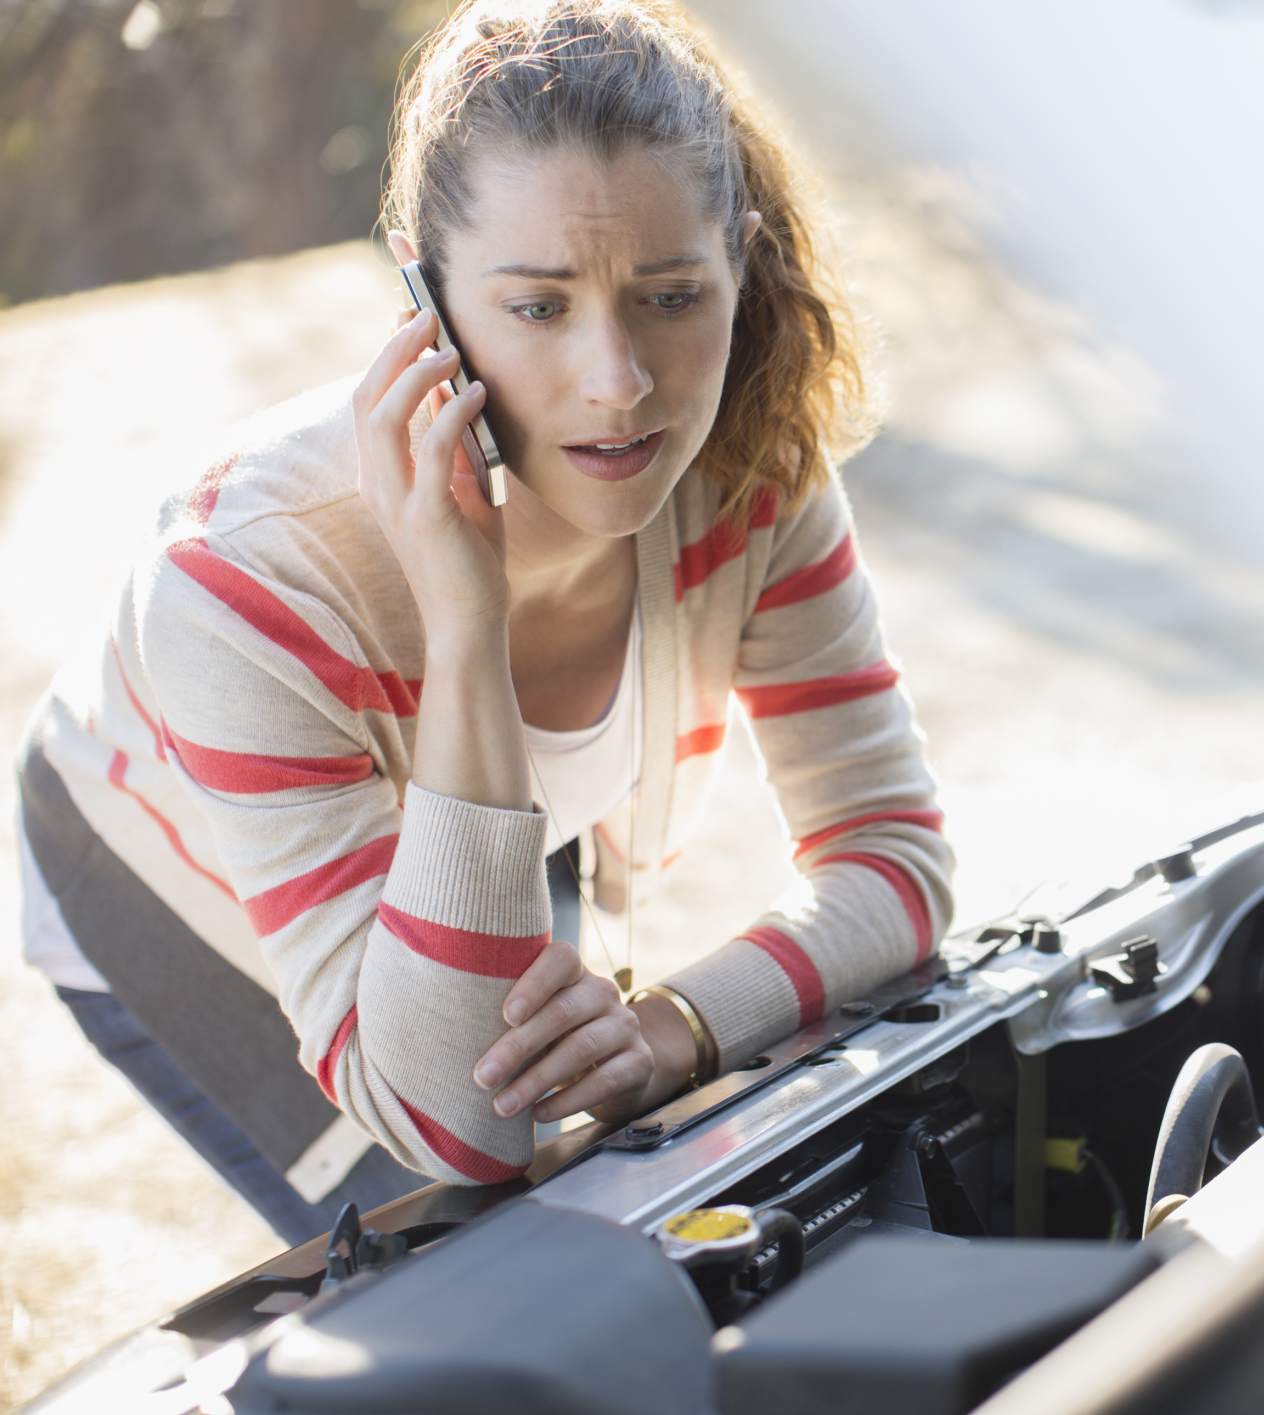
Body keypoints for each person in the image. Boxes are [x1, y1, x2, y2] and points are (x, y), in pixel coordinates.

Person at [12, 0, 953, 1246]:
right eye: (540, 308)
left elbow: (894, 854)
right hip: (160, 873)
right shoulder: (243, 581)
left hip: (471, 827)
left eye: (671, 296)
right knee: (467, 1235)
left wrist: (678, 1023)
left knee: (598, 1161)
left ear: (741, 257)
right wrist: (465, 624)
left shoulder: (749, 465)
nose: (617, 382)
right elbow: (457, 1122)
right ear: (424, 293)